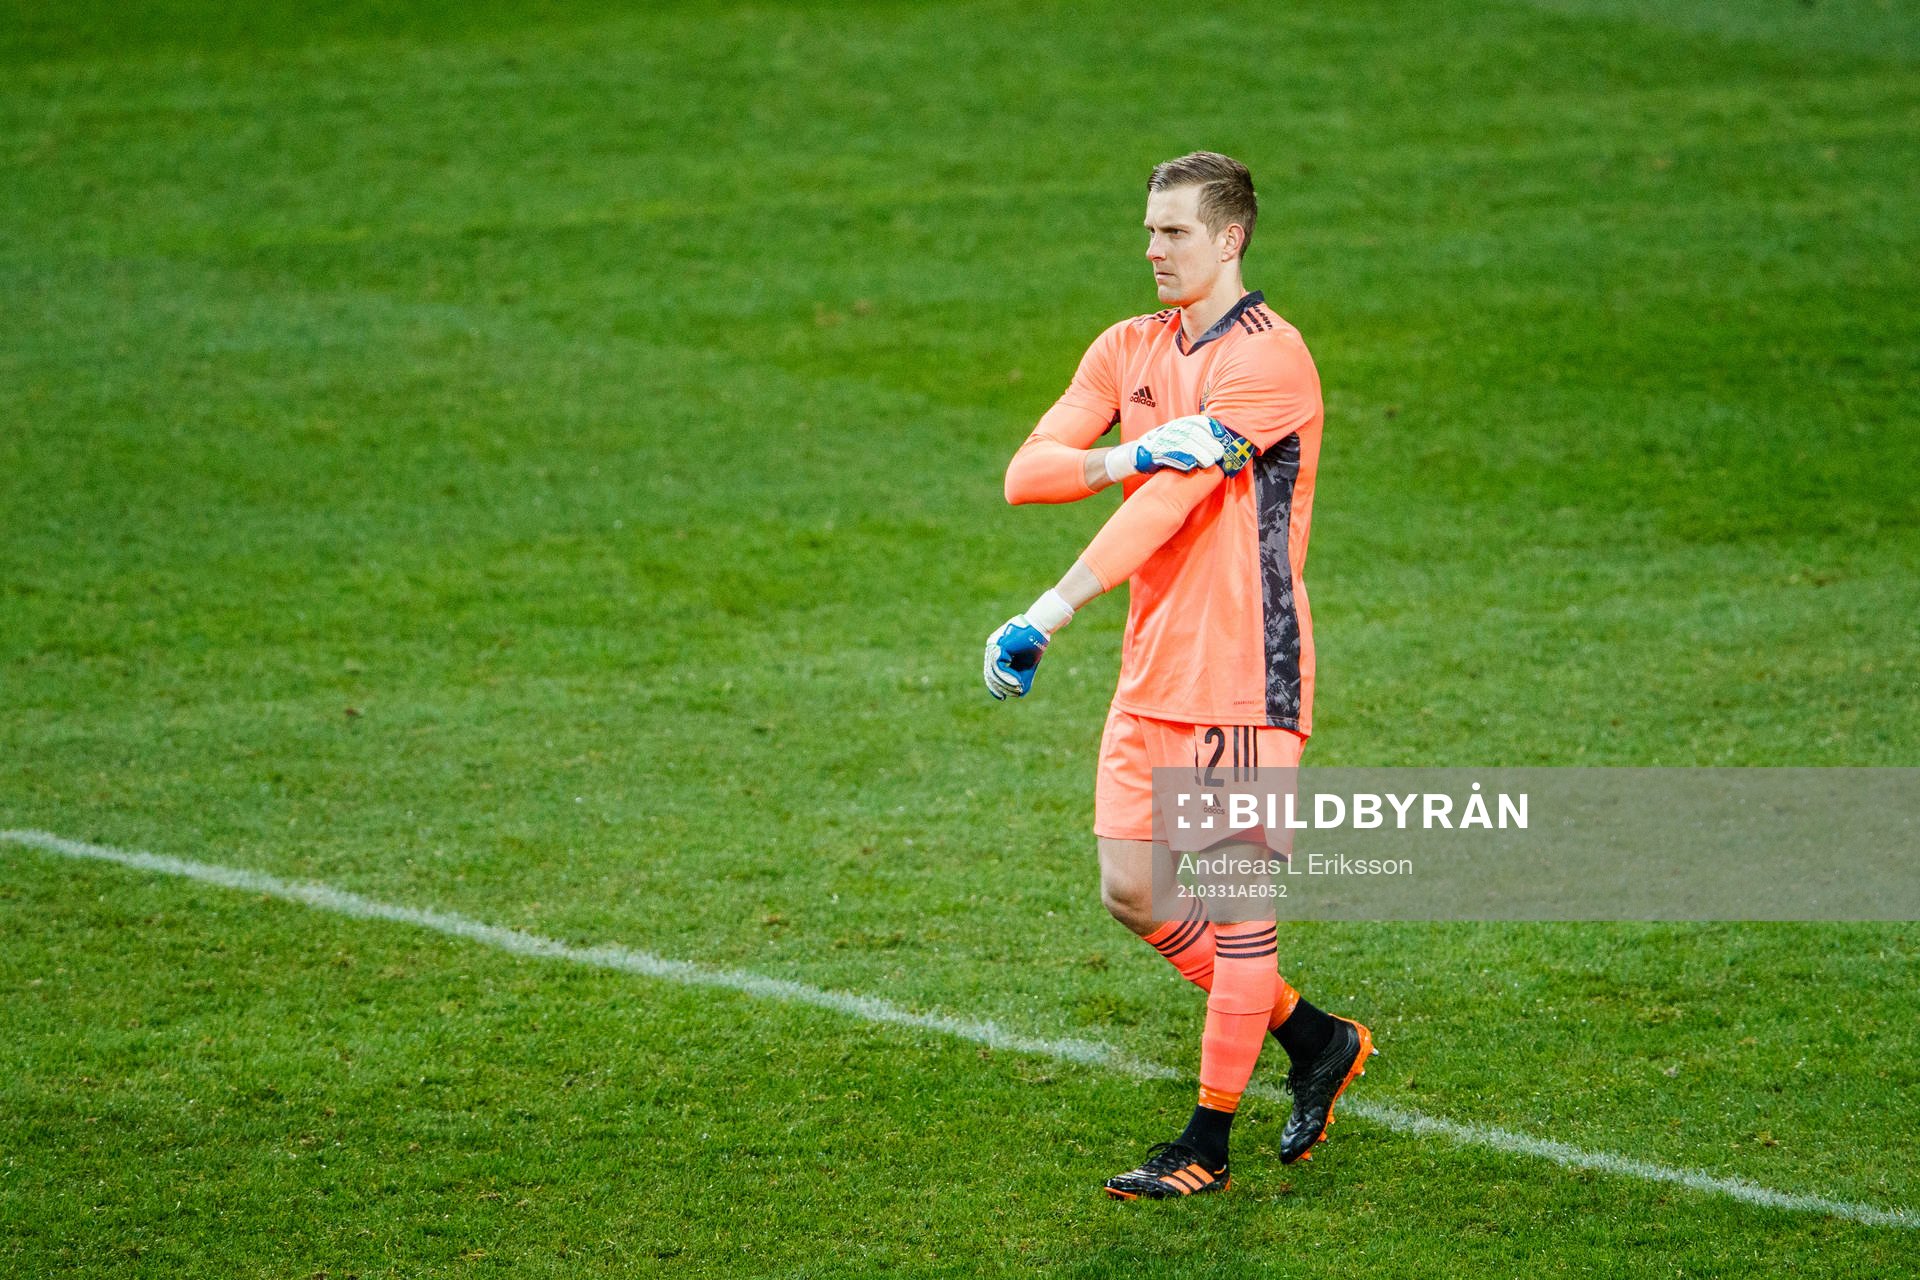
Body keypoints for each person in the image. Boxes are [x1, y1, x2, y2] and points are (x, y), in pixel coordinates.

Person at [984, 152, 1374, 1200]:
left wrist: (1047, 611)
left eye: (1176, 234)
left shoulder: (1272, 360)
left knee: (1237, 905)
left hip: (1247, 670)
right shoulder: (1127, 349)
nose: (1154, 250)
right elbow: (1029, 474)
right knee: (1132, 885)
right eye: (1150, 230)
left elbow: (1176, 504)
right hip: (1153, 668)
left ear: (1231, 238)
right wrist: (1127, 452)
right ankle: (1315, 1036)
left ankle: (1207, 1139)